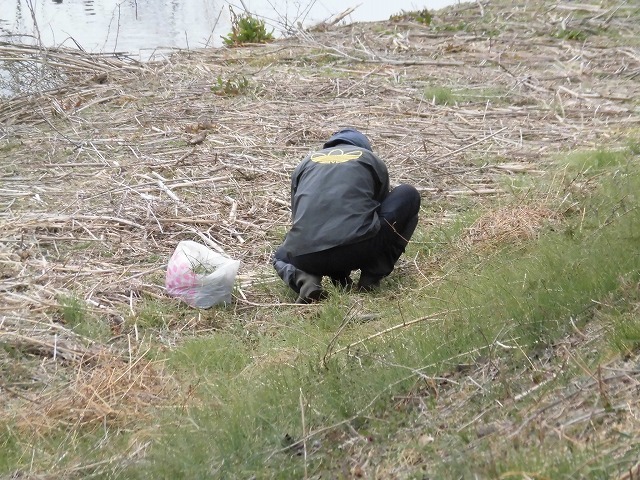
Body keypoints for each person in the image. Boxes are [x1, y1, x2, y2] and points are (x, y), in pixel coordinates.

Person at [272, 128, 421, 303]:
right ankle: (371, 278)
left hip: (306, 257)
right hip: (360, 249)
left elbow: (300, 218)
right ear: (362, 146)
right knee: (408, 194)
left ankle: (306, 280)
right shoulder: (369, 158)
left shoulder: (305, 164)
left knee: (281, 254)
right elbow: (377, 211)